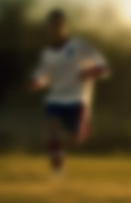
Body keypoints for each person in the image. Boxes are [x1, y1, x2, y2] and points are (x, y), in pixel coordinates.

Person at [31, 9, 109, 174]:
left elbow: (102, 67)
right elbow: (43, 75)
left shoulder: (78, 46)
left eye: (59, 26)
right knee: (52, 130)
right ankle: (57, 171)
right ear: (49, 29)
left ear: (65, 27)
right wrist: (37, 82)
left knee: (75, 140)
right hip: (55, 99)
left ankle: (78, 134)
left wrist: (89, 72)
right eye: (52, 26)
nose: (56, 29)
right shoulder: (47, 53)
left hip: (77, 100)